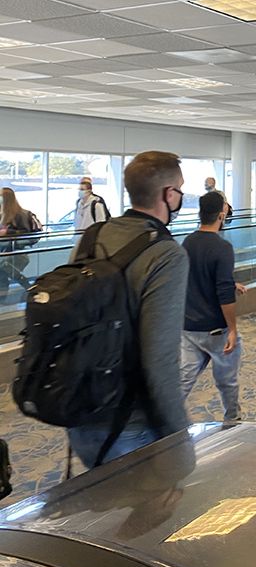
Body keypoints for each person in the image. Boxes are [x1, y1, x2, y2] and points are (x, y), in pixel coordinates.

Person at [67, 151, 190, 469]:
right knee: (153, 515)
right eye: (180, 189)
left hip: (78, 408)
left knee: (104, 513)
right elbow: (159, 359)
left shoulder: (93, 236)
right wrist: (180, 437)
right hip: (128, 422)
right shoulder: (165, 254)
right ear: (168, 194)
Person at [180, 192, 247, 427]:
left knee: (182, 381)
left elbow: (196, 277)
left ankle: (167, 425)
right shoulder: (222, 247)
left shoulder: (188, 241)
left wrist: (231, 283)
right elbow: (223, 294)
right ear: (221, 214)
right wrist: (232, 329)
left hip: (189, 328)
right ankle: (233, 422)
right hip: (215, 330)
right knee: (227, 382)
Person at [0, 187, 41, 292]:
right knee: (3, 272)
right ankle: (28, 288)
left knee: (4, 270)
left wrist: (8, 232)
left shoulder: (20, 214)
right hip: (4, 251)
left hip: (16, 252)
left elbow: (26, 232)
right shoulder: (2, 214)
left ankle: (29, 287)